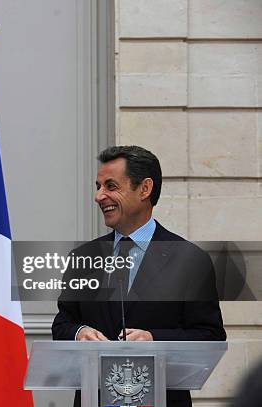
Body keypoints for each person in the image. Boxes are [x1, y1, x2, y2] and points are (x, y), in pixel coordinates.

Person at [52, 145, 226, 407]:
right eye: (98, 186)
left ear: (144, 189)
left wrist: (154, 339)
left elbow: (209, 336)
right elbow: (63, 323)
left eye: (110, 186)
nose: (99, 196)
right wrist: (79, 332)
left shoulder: (190, 260)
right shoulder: (83, 257)